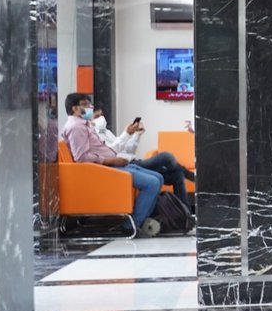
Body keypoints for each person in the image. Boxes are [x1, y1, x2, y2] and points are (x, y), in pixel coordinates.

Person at [59, 93, 190, 235]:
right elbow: (81, 157)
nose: (90, 107)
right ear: (75, 108)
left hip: (114, 164)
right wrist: (110, 160)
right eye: (86, 105)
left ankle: (143, 221)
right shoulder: (76, 127)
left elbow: (107, 149)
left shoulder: (85, 125)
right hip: (103, 169)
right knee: (152, 182)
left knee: (159, 178)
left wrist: (129, 139)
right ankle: (131, 226)